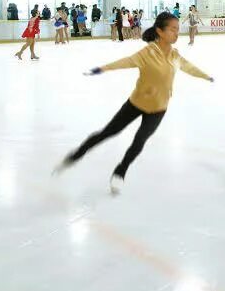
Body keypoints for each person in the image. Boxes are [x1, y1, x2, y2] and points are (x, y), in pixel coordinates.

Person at [57, 12, 213, 193]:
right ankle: (77, 154)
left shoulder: (174, 55)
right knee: (109, 132)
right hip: (137, 103)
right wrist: (102, 69)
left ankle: (120, 170)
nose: (177, 33)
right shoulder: (148, 52)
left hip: (159, 108)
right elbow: (126, 62)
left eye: (178, 29)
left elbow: (189, 67)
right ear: (160, 31)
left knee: (139, 142)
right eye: (173, 29)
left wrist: (206, 76)